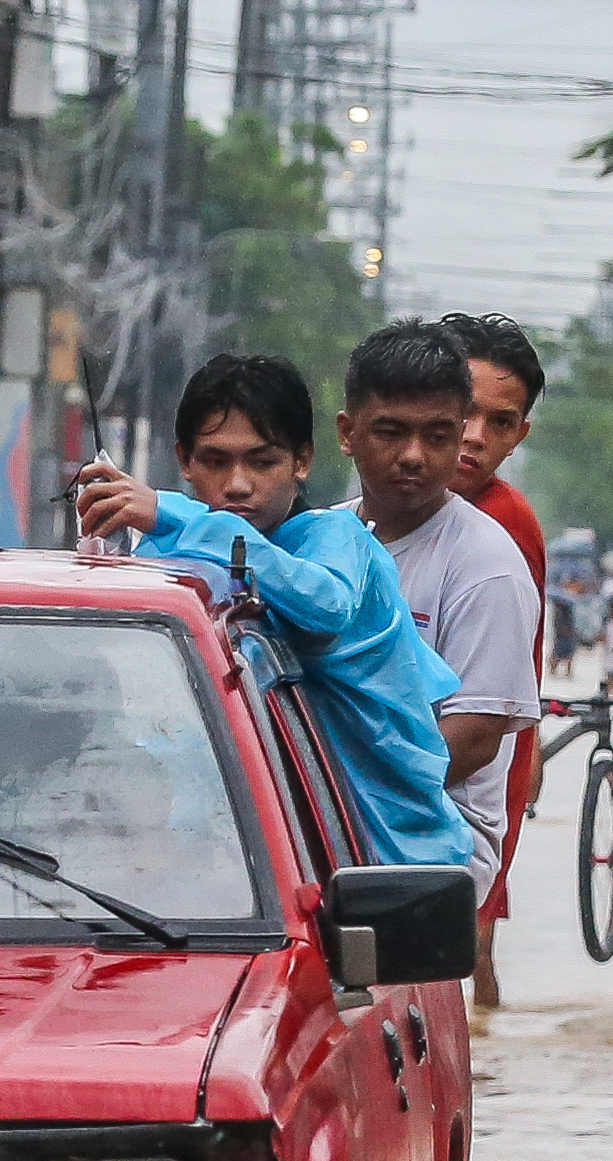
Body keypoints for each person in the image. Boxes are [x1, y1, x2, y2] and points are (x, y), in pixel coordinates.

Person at [73, 352, 477, 871]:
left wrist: (178, 514)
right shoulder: (177, 553)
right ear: (185, 460)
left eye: (262, 462)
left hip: (388, 851)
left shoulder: (334, 538)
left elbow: (323, 605)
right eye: (216, 461)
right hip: (241, 847)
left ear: (301, 461)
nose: (238, 485)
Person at [329, 322, 543, 899]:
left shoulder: (489, 562)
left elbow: (473, 738)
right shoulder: (321, 540)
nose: (414, 456)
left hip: (433, 842)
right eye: (392, 433)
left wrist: (332, 798)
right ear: (347, 434)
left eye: (437, 436)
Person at [440, 313, 552, 1007]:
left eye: (499, 421)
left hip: (471, 760)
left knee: (465, 938)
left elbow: (510, 683)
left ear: (519, 435)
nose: (476, 436)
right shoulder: (376, 512)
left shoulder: (503, 525)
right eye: (465, 412)